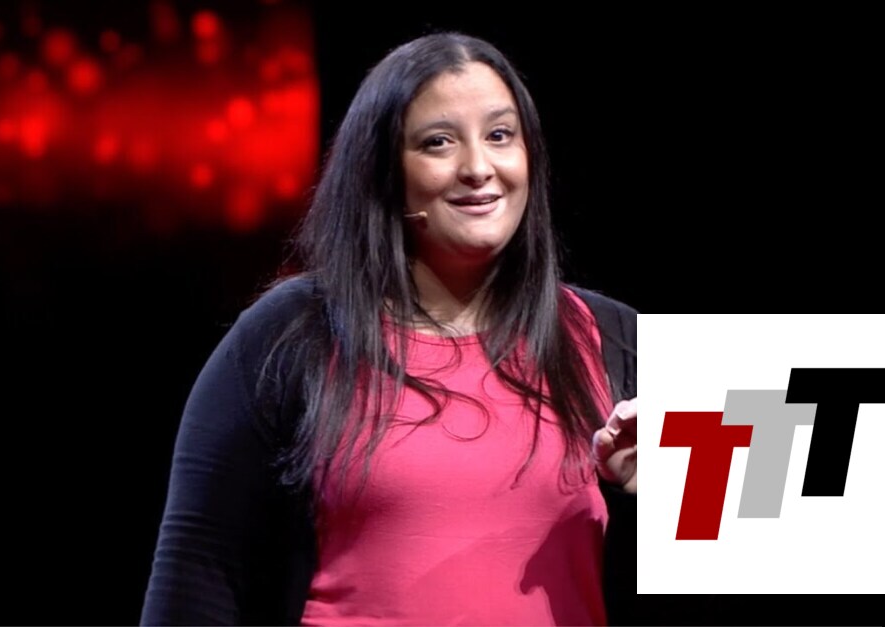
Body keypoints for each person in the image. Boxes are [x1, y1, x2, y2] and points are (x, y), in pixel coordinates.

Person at [140, 31, 638, 626]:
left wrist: (664, 500)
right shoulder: (292, 335)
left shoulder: (615, 337)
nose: (478, 168)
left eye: (500, 135)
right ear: (384, 171)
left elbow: (731, 573)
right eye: (438, 142)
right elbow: (197, 571)